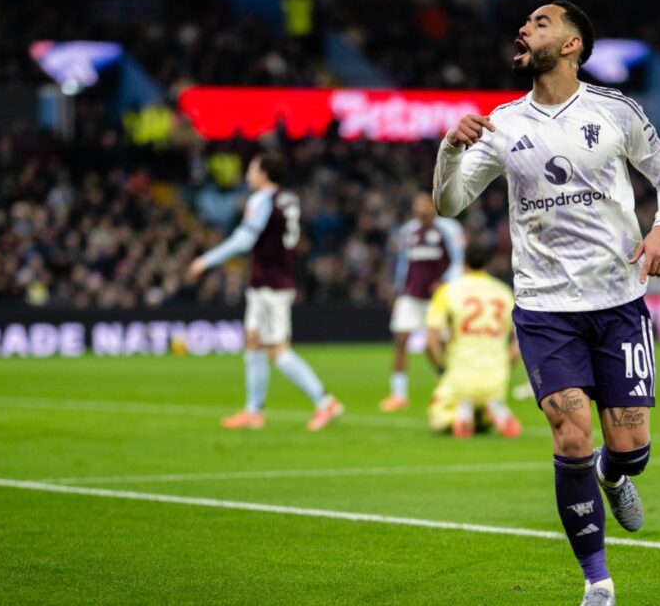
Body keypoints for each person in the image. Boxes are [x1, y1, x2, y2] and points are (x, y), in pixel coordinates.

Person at [433, 1, 660, 605]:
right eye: (524, 23)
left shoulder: (615, 111)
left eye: (540, 23)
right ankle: (598, 583)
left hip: (619, 301)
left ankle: (612, 473)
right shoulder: (503, 124)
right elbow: (450, 204)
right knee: (570, 435)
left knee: (632, 450)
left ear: (572, 44)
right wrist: (449, 149)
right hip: (545, 308)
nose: (524, 29)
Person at [187, 152, 343, 431]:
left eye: (251, 169)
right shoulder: (289, 198)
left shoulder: (261, 200)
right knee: (253, 341)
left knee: (278, 351)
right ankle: (253, 411)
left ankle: (325, 401)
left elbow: (244, 240)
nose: (247, 174)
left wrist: (206, 261)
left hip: (271, 284)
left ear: (264, 173)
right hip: (270, 280)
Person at [424, 241, 522, 438]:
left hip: (460, 376)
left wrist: (441, 370)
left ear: (463, 262)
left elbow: (431, 341)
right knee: (482, 416)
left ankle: (460, 413)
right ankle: (488, 411)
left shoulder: (448, 290)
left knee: (436, 418)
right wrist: (505, 366)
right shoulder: (504, 293)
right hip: (496, 379)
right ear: (489, 263)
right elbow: (519, 342)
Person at [380, 193, 464, 412]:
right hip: (412, 295)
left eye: (424, 204)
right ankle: (399, 395)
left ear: (434, 205)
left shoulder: (449, 228)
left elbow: (458, 262)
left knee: (438, 345)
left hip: (439, 298)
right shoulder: (408, 231)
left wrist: (445, 281)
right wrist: (398, 290)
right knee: (400, 340)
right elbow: (403, 263)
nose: (420, 209)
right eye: (417, 205)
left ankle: (448, 386)